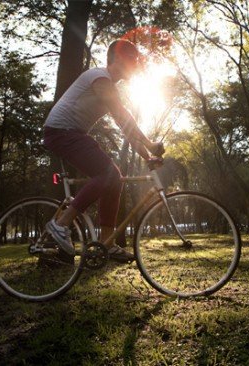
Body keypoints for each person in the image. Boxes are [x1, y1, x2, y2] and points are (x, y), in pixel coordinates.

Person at [43, 39, 164, 264]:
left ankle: (108, 243)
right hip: (61, 132)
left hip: (72, 133)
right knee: (107, 174)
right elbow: (121, 115)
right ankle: (60, 225)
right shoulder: (99, 77)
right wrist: (148, 143)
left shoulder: (107, 83)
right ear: (118, 58)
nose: (136, 66)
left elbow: (125, 128)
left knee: (115, 180)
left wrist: (148, 156)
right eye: (133, 60)